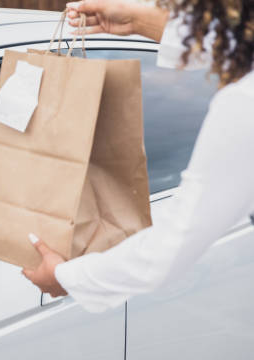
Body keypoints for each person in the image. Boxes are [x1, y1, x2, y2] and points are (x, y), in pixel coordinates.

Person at [22, 0, 254, 312]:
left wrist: (67, 277)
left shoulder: (243, 103)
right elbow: (225, 41)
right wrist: (136, 22)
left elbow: (172, 245)